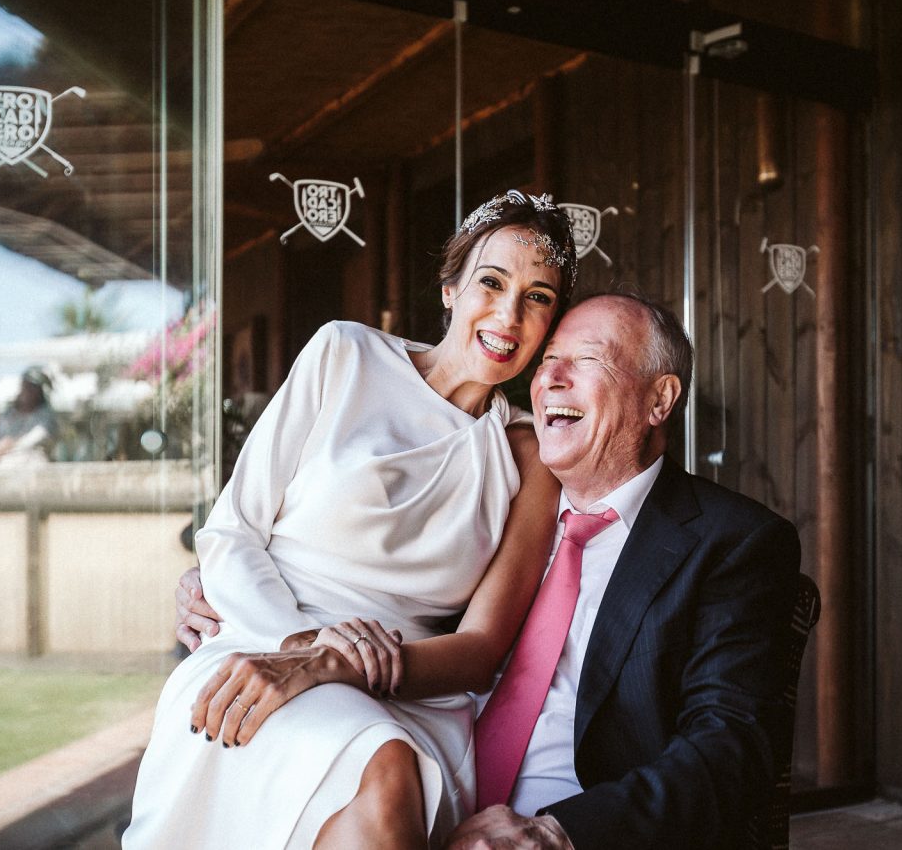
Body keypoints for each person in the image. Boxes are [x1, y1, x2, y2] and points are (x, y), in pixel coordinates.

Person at [178, 293, 801, 849]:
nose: (549, 378)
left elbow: (732, 748)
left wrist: (558, 831)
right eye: (547, 358)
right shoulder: (493, 501)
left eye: (586, 361)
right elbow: (374, 580)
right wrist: (216, 590)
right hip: (419, 771)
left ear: (660, 399)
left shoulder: (733, 542)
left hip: (568, 821)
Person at [125, 190, 578, 849]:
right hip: (261, 640)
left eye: (538, 296)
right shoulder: (346, 356)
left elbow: (480, 652)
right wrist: (299, 650)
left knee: (392, 766)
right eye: (491, 281)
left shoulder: (529, 454)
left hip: (404, 691)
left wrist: (344, 664)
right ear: (450, 288)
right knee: (377, 766)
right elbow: (232, 530)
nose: (509, 314)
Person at [0, 366, 59, 465]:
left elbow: (33, 439)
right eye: (25, 385)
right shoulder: (9, 413)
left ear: (40, 392)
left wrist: (8, 445)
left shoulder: (46, 418)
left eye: (32, 387)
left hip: (28, 463)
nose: (27, 391)